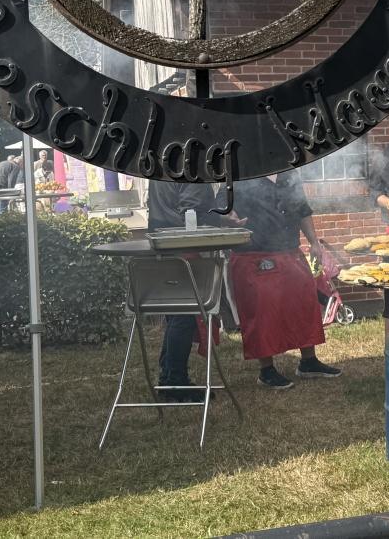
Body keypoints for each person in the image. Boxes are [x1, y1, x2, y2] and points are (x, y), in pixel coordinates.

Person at [228, 170, 341, 390]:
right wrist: (229, 217)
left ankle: (308, 362)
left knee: (304, 303)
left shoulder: (290, 175)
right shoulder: (239, 174)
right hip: (254, 254)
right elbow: (220, 209)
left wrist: (314, 242)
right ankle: (266, 370)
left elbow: (302, 209)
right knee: (262, 312)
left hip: (290, 250)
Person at [146, 180, 229, 403]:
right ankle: (175, 382)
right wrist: (220, 223)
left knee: (176, 316)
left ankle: (168, 376)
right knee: (184, 318)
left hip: (165, 245)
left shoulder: (163, 165)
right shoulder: (190, 168)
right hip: (183, 249)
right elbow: (190, 215)